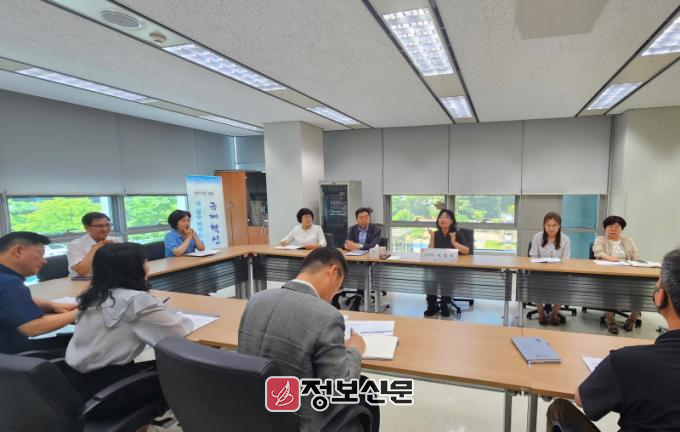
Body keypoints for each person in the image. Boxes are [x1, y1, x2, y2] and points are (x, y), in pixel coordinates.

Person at [238, 247, 378, 431]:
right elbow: (339, 390)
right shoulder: (327, 315)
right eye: (339, 286)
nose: (336, 293)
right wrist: (354, 350)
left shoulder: (256, 300)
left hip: (253, 415)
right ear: (333, 272)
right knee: (366, 391)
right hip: (298, 423)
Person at [546, 248, 680, 431]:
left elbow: (582, 399)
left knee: (559, 408)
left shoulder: (627, 362)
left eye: (658, 283)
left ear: (661, 296)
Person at [65, 242, 193, 399]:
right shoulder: (136, 301)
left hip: (75, 383)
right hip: (112, 389)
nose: (147, 266)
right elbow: (176, 335)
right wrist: (180, 317)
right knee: (186, 374)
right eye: (145, 262)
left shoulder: (94, 295)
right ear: (134, 268)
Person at [0, 232, 77, 354]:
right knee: (87, 346)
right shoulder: (9, 283)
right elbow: (33, 327)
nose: (44, 261)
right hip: (13, 358)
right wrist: (80, 312)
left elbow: (11, 299)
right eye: (40, 254)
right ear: (19, 251)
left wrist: (52, 305)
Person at [592, 215, 641, 334]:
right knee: (610, 289)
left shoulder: (628, 240)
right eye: (610, 227)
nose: (613, 229)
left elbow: (636, 256)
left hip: (627, 273)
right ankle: (610, 320)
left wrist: (633, 263)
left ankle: (632, 318)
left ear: (622, 229)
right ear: (605, 228)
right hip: (608, 274)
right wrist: (610, 258)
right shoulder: (600, 240)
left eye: (617, 227)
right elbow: (598, 252)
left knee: (640, 290)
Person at [424, 209, 470, 317]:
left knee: (446, 277)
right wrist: (432, 238)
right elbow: (429, 252)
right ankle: (432, 306)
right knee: (430, 278)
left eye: (446, 217)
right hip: (437, 268)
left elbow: (466, 251)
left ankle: (444, 305)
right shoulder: (435, 234)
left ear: (452, 221)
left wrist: (453, 242)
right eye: (440, 217)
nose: (442, 219)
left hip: (451, 268)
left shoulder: (456, 233)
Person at [529, 212, 571, 325]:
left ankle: (554, 314)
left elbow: (565, 259)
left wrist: (556, 267)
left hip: (558, 272)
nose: (551, 228)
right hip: (540, 271)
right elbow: (533, 255)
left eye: (554, 225)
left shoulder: (565, 239)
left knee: (563, 286)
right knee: (535, 285)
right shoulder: (537, 237)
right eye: (548, 225)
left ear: (559, 226)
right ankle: (541, 313)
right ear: (544, 225)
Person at [67, 212, 120, 278]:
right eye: (99, 226)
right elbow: (81, 270)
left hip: (111, 279)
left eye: (107, 225)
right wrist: (97, 246)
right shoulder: (75, 245)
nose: (105, 229)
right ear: (87, 227)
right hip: (82, 281)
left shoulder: (115, 240)